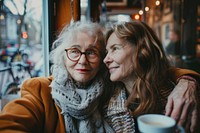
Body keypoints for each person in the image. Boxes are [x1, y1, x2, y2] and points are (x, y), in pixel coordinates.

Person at [0, 21, 199, 133]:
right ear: (63, 55)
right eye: (75, 51)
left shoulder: (108, 86)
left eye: (92, 52)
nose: (83, 61)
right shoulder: (40, 90)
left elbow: (155, 72)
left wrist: (188, 82)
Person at [103, 21, 200, 133]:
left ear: (141, 50)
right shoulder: (105, 98)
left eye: (115, 48)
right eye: (106, 52)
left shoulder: (182, 97)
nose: (106, 59)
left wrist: (188, 81)